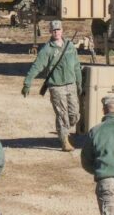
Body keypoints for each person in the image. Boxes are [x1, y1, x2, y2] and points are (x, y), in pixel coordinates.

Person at [21, 20, 81, 151]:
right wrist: (27, 82)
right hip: (56, 86)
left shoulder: (70, 46)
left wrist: (79, 83)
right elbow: (36, 66)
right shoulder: (47, 49)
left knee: (75, 114)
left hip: (71, 84)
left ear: (62, 30)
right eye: (54, 30)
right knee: (62, 114)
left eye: (58, 30)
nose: (56, 32)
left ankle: (62, 130)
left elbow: (77, 66)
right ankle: (64, 140)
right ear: (50, 32)